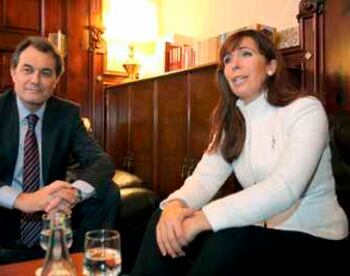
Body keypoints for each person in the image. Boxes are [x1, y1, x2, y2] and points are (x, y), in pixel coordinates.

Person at [131, 30, 348, 275]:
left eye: (245, 54)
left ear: (271, 66)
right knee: (163, 218)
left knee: (227, 239)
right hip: (258, 232)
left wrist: (201, 219)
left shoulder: (306, 110)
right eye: (227, 60)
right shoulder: (232, 122)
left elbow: (285, 188)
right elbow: (204, 180)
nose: (234, 64)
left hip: (315, 238)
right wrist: (175, 205)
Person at [0, 36, 119, 272]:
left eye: (46, 73)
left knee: (107, 192)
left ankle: (77, 267)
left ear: (56, 80)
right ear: (13, 73)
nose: (35, 80)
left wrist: (72, 194)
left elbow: (101, 161)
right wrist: (23, 200)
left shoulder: (67, 114)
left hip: (53, 214)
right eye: (27, 70)